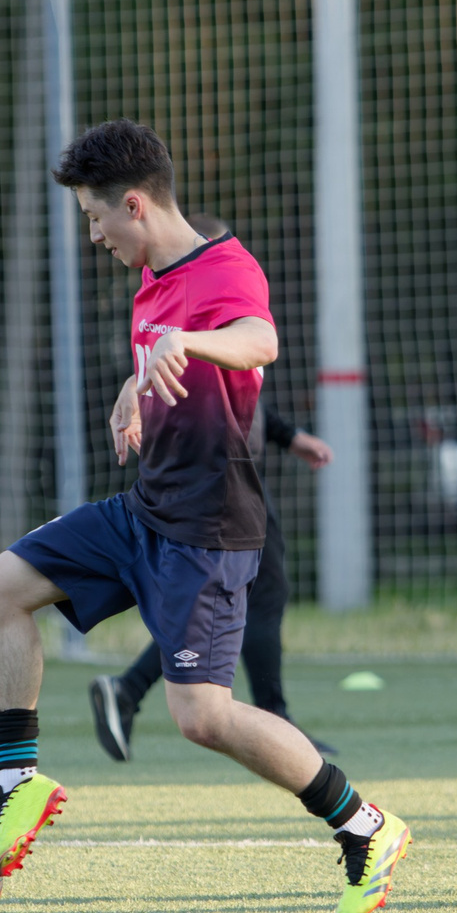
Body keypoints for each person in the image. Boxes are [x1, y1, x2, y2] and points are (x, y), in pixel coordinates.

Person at [0, 119, 411, 913]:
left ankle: (363, 824)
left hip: (207, 531)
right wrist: (129, 395)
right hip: (145, 510)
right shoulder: (150, 276)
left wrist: (193, 342)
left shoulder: (225, 267)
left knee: (201, 718)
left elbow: (259, 340)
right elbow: (158, 355)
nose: (93, 234)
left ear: (134, 204)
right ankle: (15, 783)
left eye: (95, 218)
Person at [88, 212, 335, 761]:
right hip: (224, 497)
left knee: (205, 611)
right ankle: (276, 722)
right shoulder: (200, 301)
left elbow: (245, 377)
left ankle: (129, 690)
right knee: (253, 602)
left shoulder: (205, 312)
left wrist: (293, 438)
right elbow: (250, 351)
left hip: (212, 492)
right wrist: (135, 383)